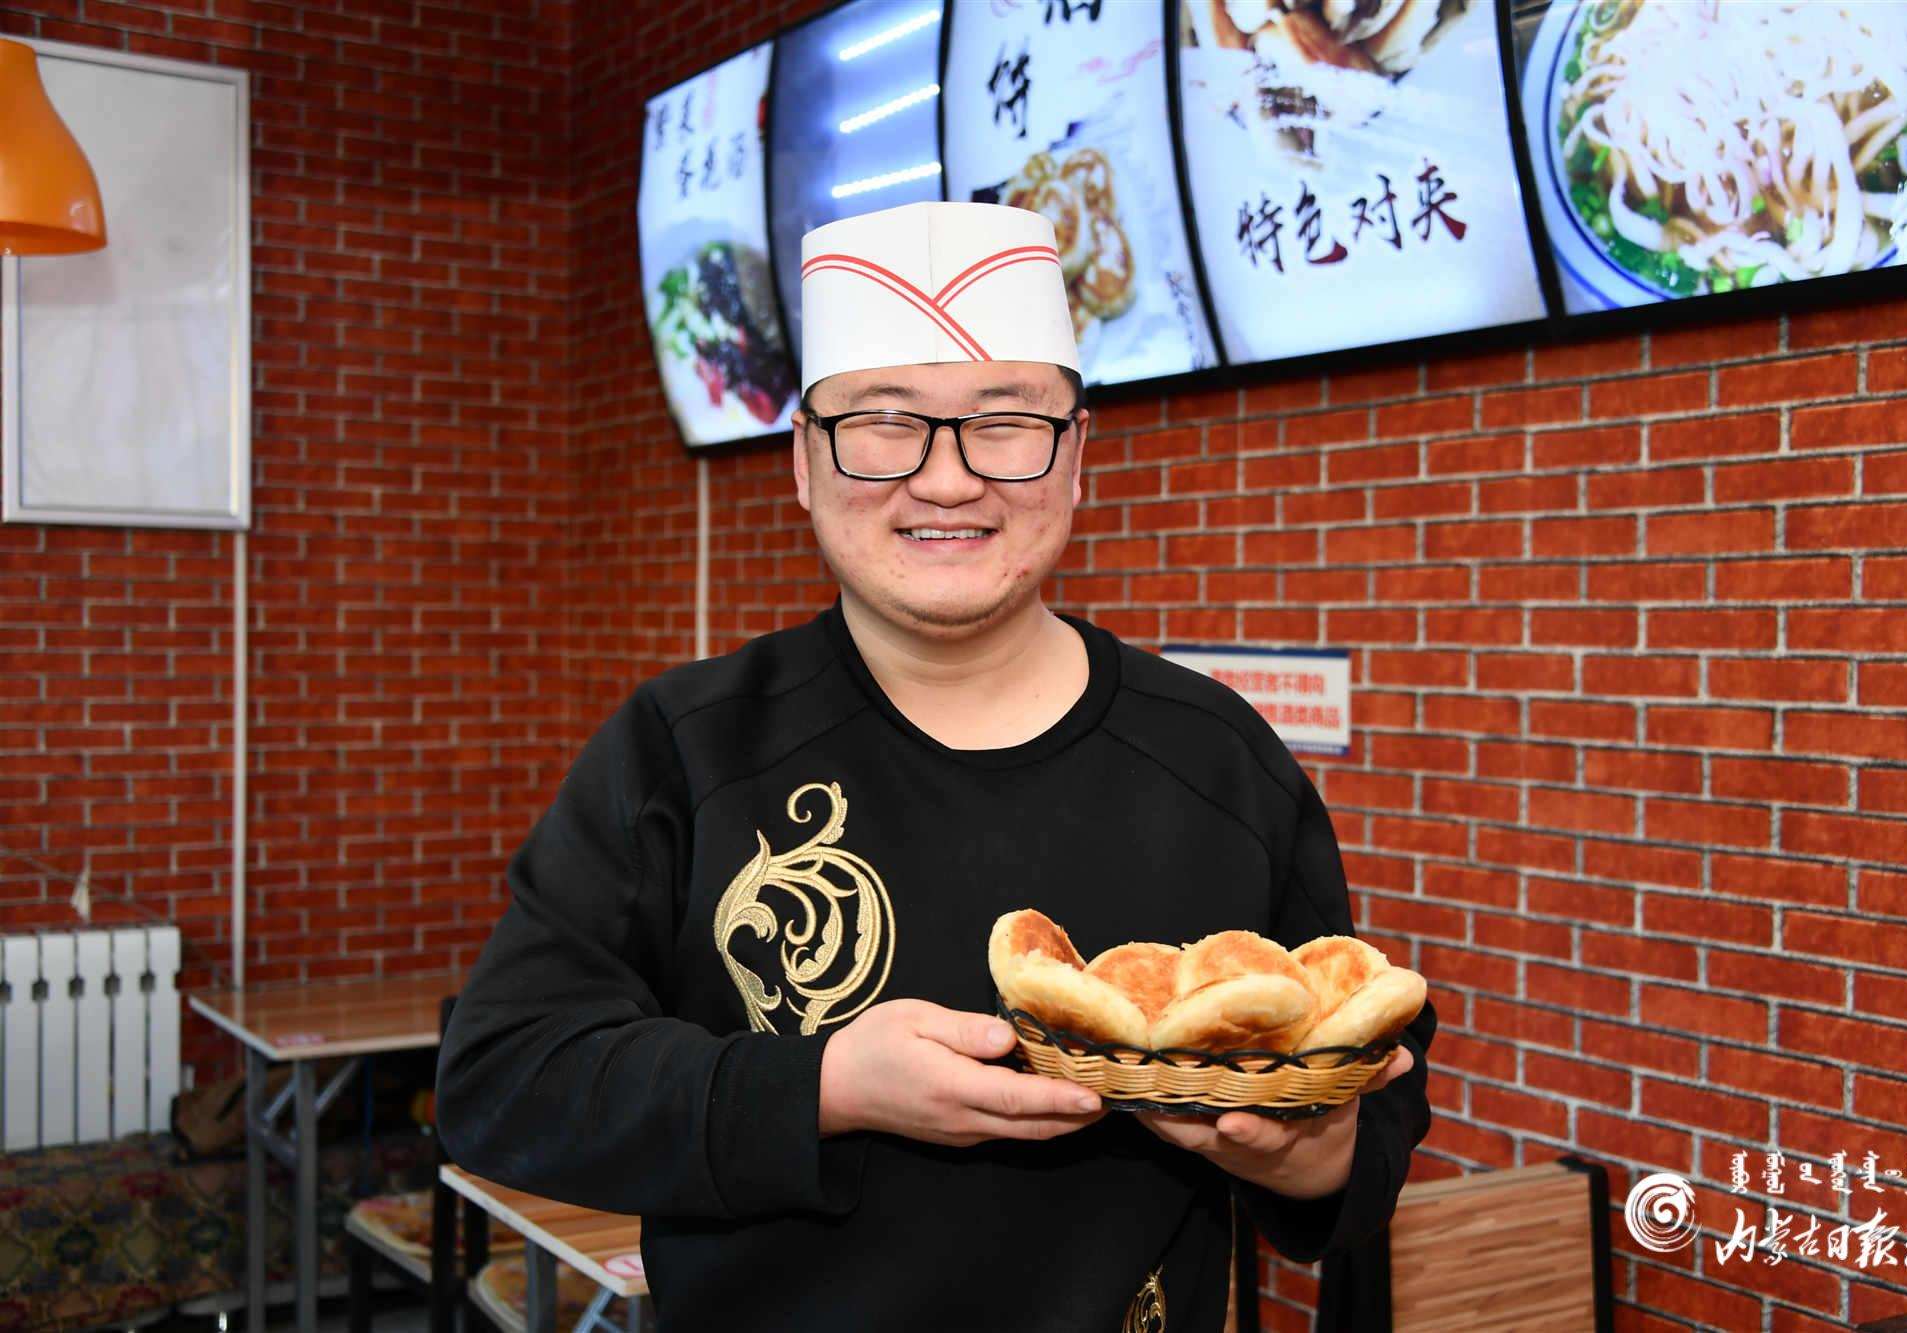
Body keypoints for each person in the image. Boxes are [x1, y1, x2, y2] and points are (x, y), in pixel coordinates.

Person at [436, 200, 1433, 1331]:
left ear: (1075, 456)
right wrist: (823, 1088)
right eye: (883, 422)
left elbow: (1371, 1105)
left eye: (1004, 423)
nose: (948, 480)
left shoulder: (1216, 756)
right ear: (804, 460)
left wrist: (1304, 1153)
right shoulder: (687, 747)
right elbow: (503, 1078)